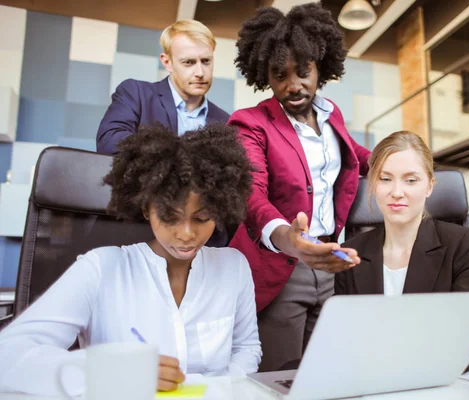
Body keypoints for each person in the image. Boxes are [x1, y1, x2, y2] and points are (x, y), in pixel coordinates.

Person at [0, 124, 261, 395]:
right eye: (170, 217)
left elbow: (246, 348)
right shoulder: (100, 269)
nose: (186, 234)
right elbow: (7, 357)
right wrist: (109, 372)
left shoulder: (234, 268)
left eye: (202, 218)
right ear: (147, 209)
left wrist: (222, 389)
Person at [228, 3, 370, 372]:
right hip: (280, 266)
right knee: (280, 376)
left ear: (321, 65)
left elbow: (355, 153)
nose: (293, 85)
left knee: (327, 371)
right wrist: (288, 238)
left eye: (303, 72)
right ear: (264, 74)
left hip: (331, 259)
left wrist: (401, 162)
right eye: (280, 75)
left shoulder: (331, 113)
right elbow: (250, 193)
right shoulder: (250, 124)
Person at [335, 130, 469, 371]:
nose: (397, 192)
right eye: (385, 178)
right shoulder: (350, 252)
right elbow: (341, 341)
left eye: (411, 180)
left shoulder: (462, 243)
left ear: (429, 186)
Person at [96, 19, 229, 155]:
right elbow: (109, 142)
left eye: (206, 61)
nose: (200, 73)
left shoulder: (226, 122)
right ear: (167, 62)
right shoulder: (136, 94)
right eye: (189, 62)